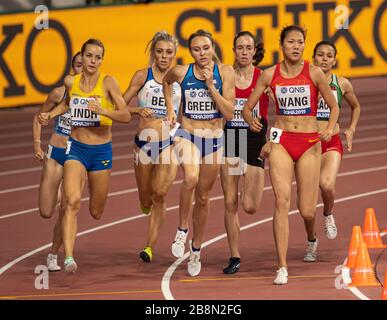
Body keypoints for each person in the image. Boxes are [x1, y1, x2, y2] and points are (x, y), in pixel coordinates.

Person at [242, 25, 339, 285]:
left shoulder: (315, 72)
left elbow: (333, 106)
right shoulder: (270, 74)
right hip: (282, 141)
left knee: (306, 209)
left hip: (309, 143)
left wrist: (329, 128)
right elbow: (248, 107)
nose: (295, 46)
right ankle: (282, 266)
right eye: (291, 42)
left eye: (300, 42)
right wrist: (252, 121)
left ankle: (311, 238)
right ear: (282, 45)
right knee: (281, 202)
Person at [39, 38, 131, 273]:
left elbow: (126, 115)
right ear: (82, 57)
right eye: (89, 56)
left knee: (96, 211)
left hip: (100, 151)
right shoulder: (72, 82)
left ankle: (70, 246)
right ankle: (68, 257)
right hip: (76, 148)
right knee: (71, 201)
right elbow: (67, 105)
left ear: (102, 60)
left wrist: (103, 111)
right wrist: (50, 115)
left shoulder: (108, 82)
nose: (92, 61)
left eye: (97, 57)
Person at [163, 29, 235, 276]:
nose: (201, 53)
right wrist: (171, 109)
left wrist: (211, 88)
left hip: (214, 140)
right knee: (191, 177)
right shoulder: (182, 71)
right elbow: (166, 81)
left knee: (203, 198)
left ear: (213, 47)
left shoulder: (225, 72)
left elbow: (229, 113)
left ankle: (196, 249)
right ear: (190, 51)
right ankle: (182, 230)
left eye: (205, 48)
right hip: (188, 135)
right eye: (196, 49)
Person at [123, 31, 181, 262]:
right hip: (143, 145)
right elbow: (119, 107)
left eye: (169, 52)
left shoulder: (181, 78)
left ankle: (149, 246)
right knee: (146, 198)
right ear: (153, 53)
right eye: (160, 51)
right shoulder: (142, 77)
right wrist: (137, 110)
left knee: (160, 194)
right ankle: (144, 202)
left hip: (170, 142)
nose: (164, 56)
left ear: (175, 54)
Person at [301, 41, 360, 249]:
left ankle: (327, 213)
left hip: (331, 142)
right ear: (313, 57)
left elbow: (356, 106)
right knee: (306, 204)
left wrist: (351, 128)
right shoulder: (304, 81)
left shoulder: (342, 83)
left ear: (334, 60)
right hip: (307, 144)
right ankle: (311, 240)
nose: (324, 59)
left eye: (328, 56)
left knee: (327, 184)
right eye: (320, 55)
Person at [221, 31, 268, 274]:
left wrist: (272, 141)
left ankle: (246, 181)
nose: (244, 52)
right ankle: (234, 256)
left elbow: (280, 113)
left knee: (249, 205)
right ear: (234, 50)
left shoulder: (263, 77)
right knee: (230, 202)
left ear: (254, 52)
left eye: (248, 48)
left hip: (255, 140)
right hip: (231, 138)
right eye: (240, 47)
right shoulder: (225, 76)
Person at [32, 52, 83, 272]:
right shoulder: (58, 93)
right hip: (56, 154)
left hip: (78, 156)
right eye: (79, 64)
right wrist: (37, 144)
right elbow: (39, 117)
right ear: (73, 68)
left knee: (68, 206)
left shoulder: (96, 95)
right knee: (46, 211)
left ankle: (56, 254)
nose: (83, 68)